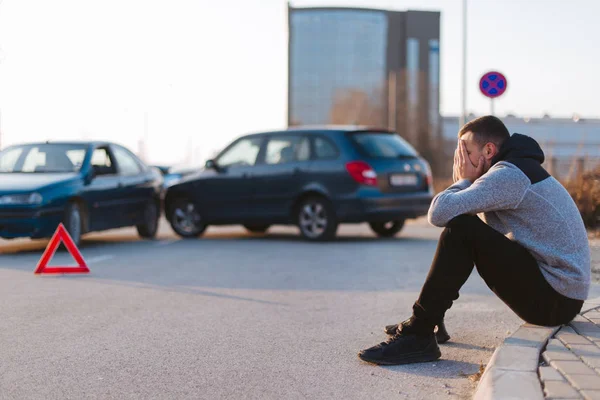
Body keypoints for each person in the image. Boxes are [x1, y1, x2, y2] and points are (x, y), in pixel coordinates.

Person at [358, 115, 591, 366]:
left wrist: (462, 181)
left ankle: (419, 333)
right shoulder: (516, 168)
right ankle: (430, 320)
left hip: (555, 301)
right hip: (561, 295)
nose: (460, 160)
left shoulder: (508, 176)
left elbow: (438, 213)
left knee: (462, 228)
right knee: (463, 225)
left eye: (466, 151)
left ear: (488, 150)